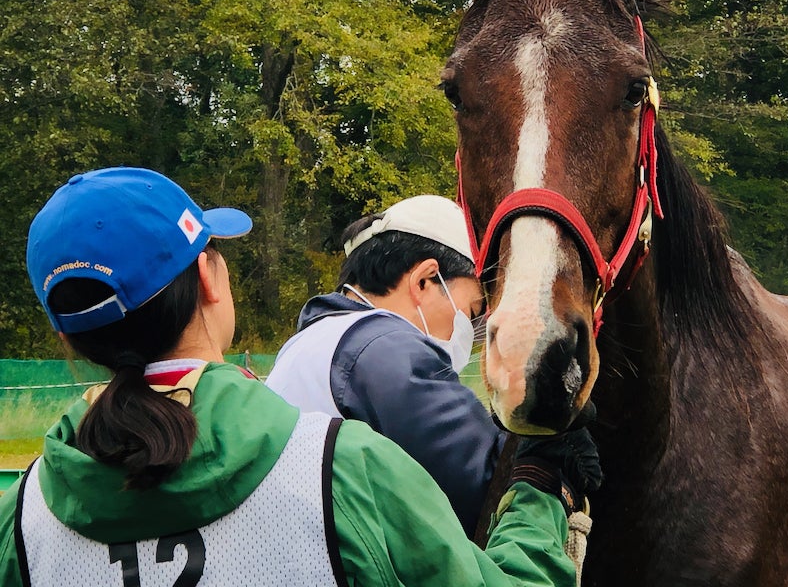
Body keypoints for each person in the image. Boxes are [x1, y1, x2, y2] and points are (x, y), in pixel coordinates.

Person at [0, 167, 600, 586]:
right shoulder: (346, 468)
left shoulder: (21, 517)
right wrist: (538, 481)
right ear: (209, 278)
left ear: (67, 338)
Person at [265, 195, 504, 536]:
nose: (471, 330)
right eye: (472, 312)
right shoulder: (382, 350)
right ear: (424, 281)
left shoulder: (310, 342)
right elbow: (486, 483)